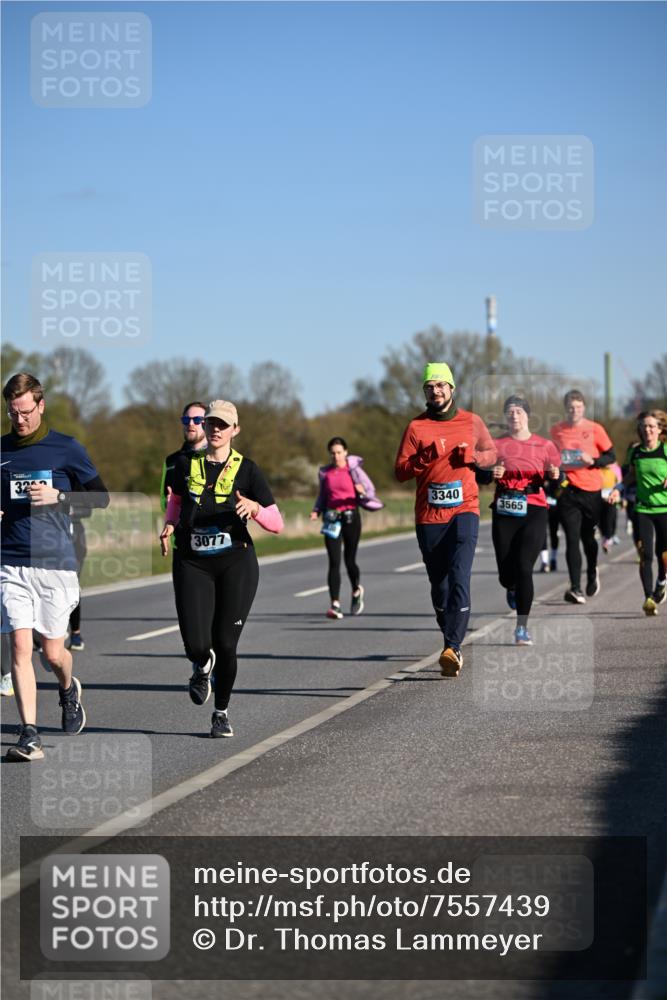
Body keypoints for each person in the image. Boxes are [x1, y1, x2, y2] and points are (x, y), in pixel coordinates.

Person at [160, 400, 284, 738]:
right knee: (196, 643)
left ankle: (221, 712)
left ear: (235, 430)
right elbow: (177, 501)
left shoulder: (248, 470)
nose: (215, 429)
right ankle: (201, 664)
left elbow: (277, 523)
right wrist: (170, 525)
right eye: (211, 423)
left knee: (226, 644)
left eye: (223, 425)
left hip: (235, 561)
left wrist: (256, 508)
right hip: (192, 561)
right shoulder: (185, 464)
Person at [1, 372, 109, 761]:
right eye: (13, 413)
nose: (20, 420)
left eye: (26, 412)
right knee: (18, 643)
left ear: (40, 405)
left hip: (55, 564)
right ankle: (29, 733)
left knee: (52, 653)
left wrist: (59, 495)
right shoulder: (1, 451)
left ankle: (67, 689)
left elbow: (101, 499)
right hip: (11, 561)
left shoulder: (66, 448)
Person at [395, 363, 496, 676]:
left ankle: (453, 647)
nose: (436, 391)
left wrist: (475, 458)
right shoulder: (416, 427)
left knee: (459, 575)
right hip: (429, 515)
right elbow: (399, 472)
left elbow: (492, 454)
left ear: (452, 388)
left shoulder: (472, 422)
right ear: (425, 392)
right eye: (430, 387)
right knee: (439, 586)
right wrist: (423, 458)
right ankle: (449, 636)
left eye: (441, 385)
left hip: (465, 509)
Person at [488, 396, 561, 645]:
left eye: (519, 411)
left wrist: (555, 475)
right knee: (506, 574)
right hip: (504, 510)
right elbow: (479, 473)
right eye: (510, 411)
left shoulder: (545, 445)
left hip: (534, 509)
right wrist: (491, 472)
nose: (514, 416)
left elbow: (559, 478)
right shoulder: (496, 445)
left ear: (527, 415)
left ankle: (522, 627)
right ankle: (510, 587)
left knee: (523, 568)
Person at [550, 390, 615, 604]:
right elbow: (551, 457)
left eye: (578, 406)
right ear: (565, 408)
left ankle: (592, 571)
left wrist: (593, 459)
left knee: (588, 538)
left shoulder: (595, 429)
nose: (574, 410)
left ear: (584, 408)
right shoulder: (557, 430)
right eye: (570, 406)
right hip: (568, 490)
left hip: (591, 491)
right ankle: (575, 588)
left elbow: (611, 456)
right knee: (571, 538)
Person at [310, 437, 382, 619]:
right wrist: (316, 510)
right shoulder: (325, 472)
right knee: (334, 562)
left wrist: (362, 491)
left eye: (339, 452)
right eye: (333, 453)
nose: (336, 456)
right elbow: (323, 495)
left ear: (346, 452)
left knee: (350, 560)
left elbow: (369, 490)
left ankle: (356, 590)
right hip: (331, 518)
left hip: (351, 518)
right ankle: (335, 604)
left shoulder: (353, 471)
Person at [608, 410, 667, 616]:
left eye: (651, 426)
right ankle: (648, 598)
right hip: (643, 509)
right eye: (644, 426)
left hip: (665, 509)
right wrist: (618, 489)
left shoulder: (665, 450)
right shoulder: (636, 452)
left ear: (659, 429)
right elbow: (630, 476)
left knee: (664, 554)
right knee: (646, 554)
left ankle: (662, 580)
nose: (647, 429)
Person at [160, 401, 208, 512]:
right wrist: (169, 503)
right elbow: (162, 502)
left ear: (207, 423)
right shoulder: (170, 461)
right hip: (178, 527)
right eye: (186, 420)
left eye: (197, 420)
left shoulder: (219, 458)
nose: (190, 423)